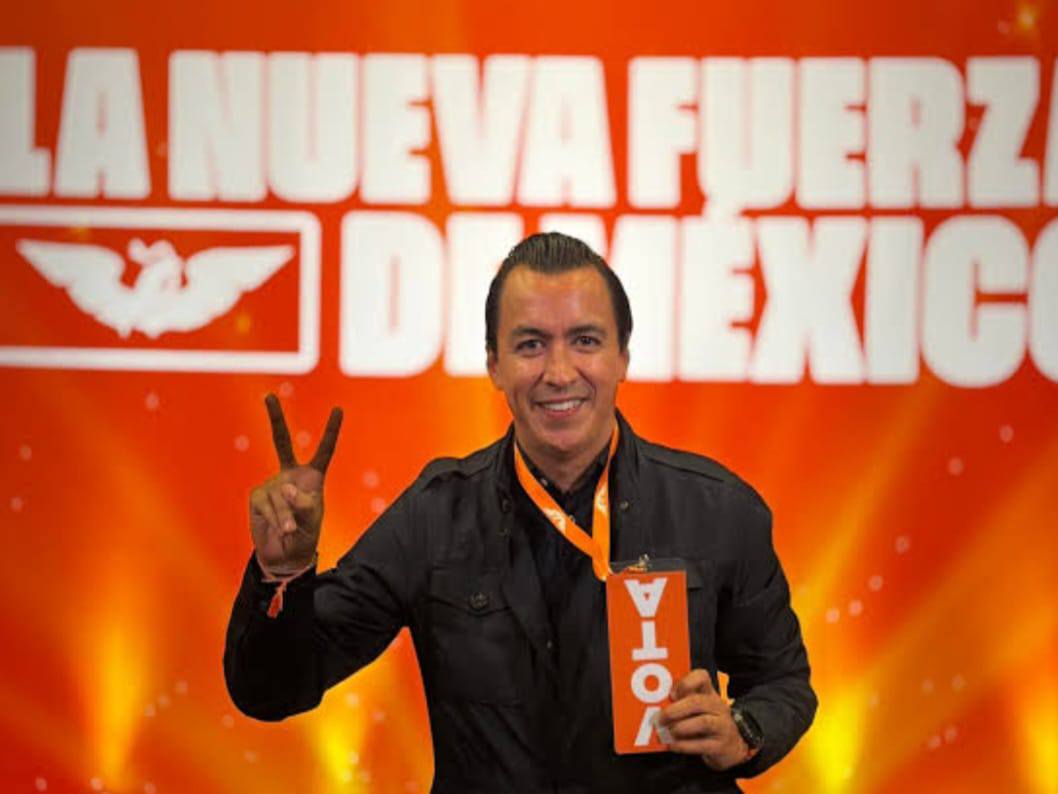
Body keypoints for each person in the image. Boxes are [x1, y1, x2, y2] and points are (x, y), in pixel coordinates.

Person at [224, 232, 817, 793]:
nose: (559, 373)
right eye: (531, 344)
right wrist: (284, 574)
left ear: (622, 357)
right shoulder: (435, 516)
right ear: (494, 365)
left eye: (585, 341)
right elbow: (270, 690)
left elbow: (784, 683)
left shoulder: (717, 510)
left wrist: (743, 731)